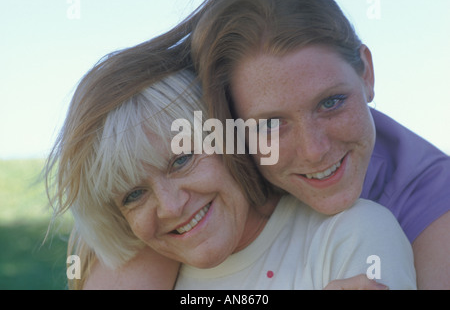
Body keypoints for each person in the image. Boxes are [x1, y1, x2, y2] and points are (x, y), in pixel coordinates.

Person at [44, 38, 415, 290]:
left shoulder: (352, 235)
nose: (171, 206)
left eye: (182, 160)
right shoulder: (148, 275)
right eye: (135, 194)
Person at [188, 0, 450, 289]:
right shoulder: (182, 187)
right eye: (272, 124)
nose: (314, 151)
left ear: (367, 74)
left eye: (331, 102)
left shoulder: (439, 208)